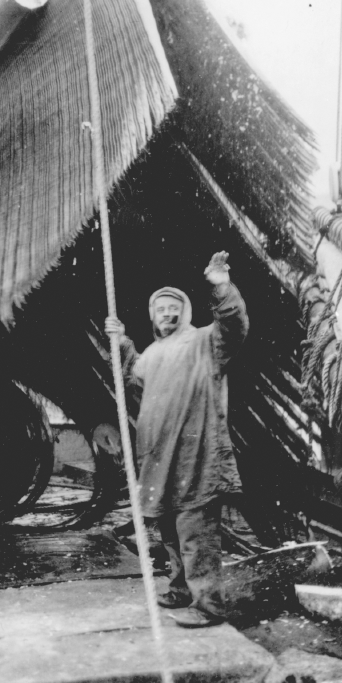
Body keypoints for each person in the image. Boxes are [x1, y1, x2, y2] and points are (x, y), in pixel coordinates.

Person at [105, 251, 248, 628]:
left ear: (184, 313)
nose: (167, 314)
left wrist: (221, 286)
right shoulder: (151, 354)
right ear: (152, 315)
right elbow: (133, 381)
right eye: (160, 309)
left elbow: (233, 325)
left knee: (195, 533)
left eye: (174, 308)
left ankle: (210, 606)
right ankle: (181, 587)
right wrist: (120, 342)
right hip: (159, 458)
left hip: (195, 455)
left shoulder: (205, 343)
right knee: (169, 526)